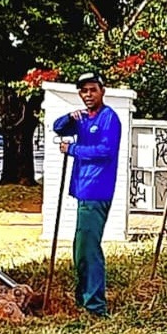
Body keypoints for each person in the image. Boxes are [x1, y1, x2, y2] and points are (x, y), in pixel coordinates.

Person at [52, 72, 123, 316]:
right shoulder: (83, 117)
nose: (88, 95)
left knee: (89, 248)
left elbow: (105, 150)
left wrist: (72, 148)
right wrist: (69, 116)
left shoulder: (108, 118)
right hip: (83, 190)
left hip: (97, 190)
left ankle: (95, 305)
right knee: (80, 247)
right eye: (83, 91)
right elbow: (58, 127)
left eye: (92, 90)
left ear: (102, 91)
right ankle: (83, 298)